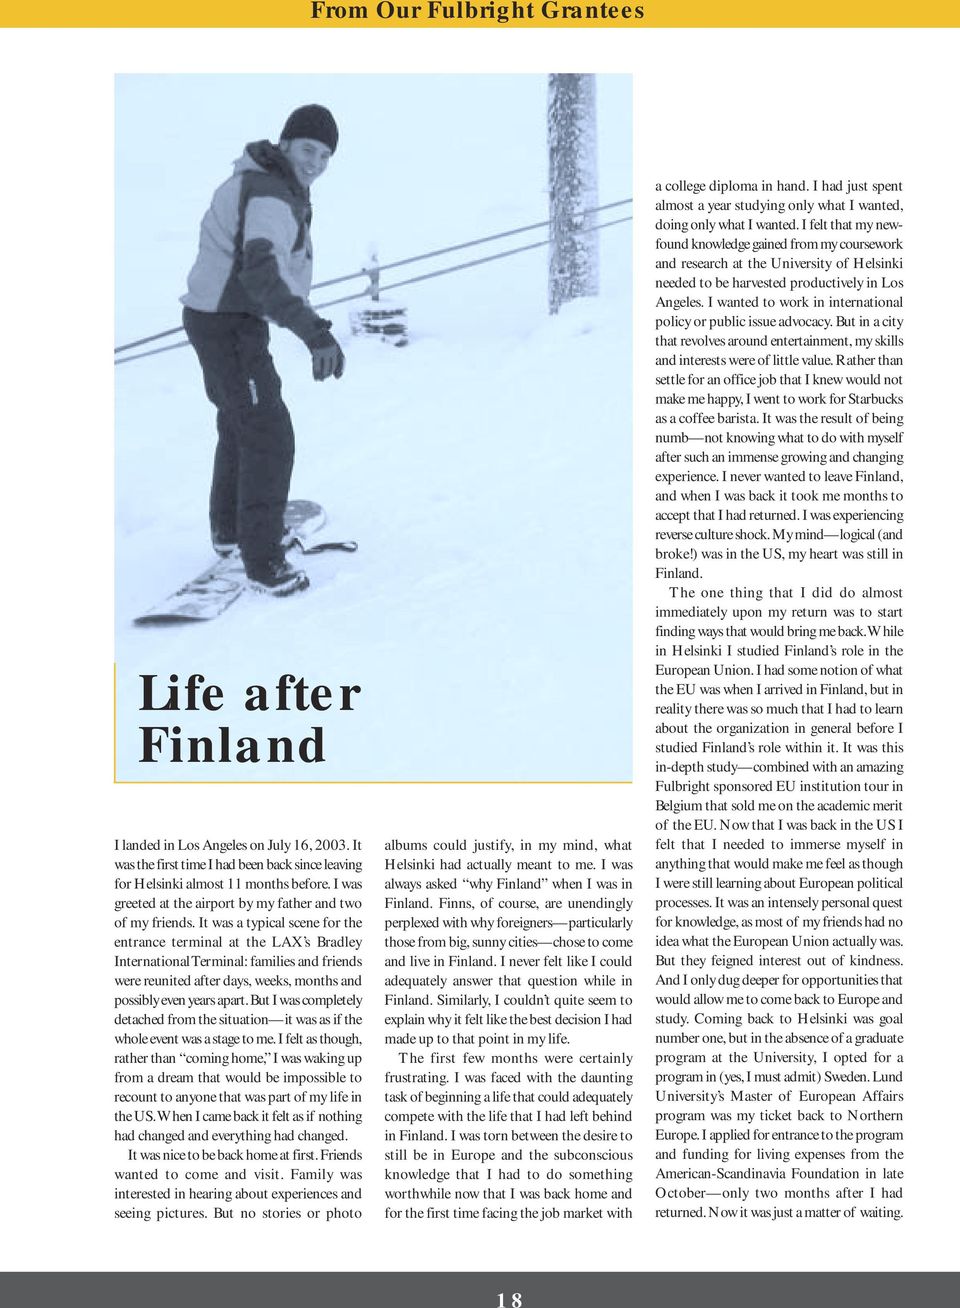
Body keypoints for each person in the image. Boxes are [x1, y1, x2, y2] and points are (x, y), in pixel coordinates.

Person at [181, 104, 345, 596]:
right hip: (229, 323)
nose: (315, 161)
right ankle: (263, 561)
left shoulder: (266, 181)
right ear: (287, 143)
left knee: (240, 422)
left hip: (219, 319)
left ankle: (231, 531)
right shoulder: (271, 192)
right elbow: (261, 272)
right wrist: (315, 332)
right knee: (269, 434)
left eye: (325, 154)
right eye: (309, 148)